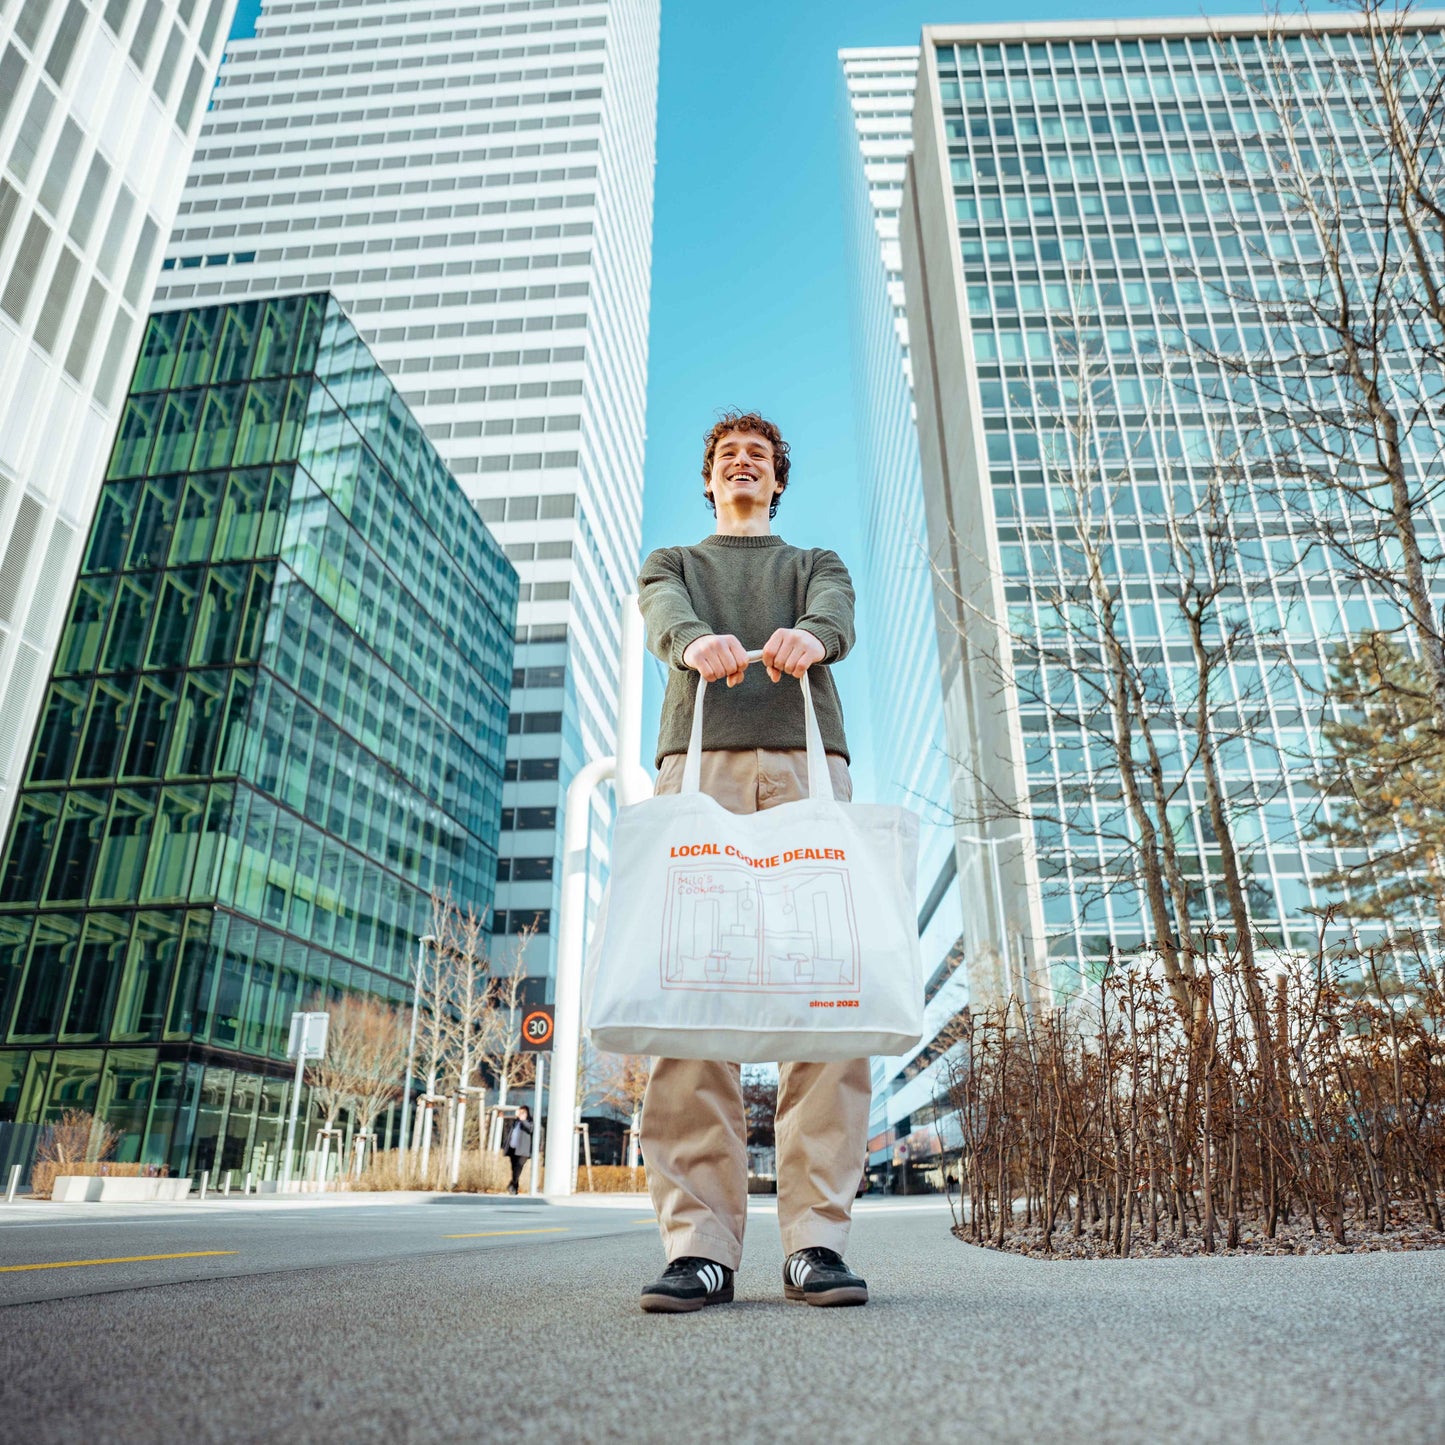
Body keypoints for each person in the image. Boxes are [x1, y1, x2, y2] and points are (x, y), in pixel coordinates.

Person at [634, 410, 871, 1314]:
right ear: (708, 479)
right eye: (726, 454)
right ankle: (698, 1247)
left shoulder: (814, 563)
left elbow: (833, 613)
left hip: (808, 767)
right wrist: (695, 643)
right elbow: (666, 615)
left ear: (776, 479)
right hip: (698, 770)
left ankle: (815, 1242)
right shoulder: (676, 562)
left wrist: (812, 637)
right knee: (690, 989)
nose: (742, 462)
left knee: (827, 991)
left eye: (758, 456)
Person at [503, 1106, 533, 1194]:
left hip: (523, 1150)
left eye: (523, 1112)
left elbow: (530, 1129)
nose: (521, 1114)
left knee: (519, 1166)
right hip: (513, 1149)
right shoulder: (516, 1122)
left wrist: (523, 1120)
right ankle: (514, 1188)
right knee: (514, 1169)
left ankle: (512, 1184)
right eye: (520, 1112)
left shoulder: (529, 1122)